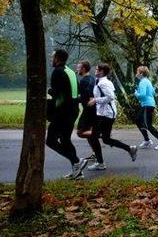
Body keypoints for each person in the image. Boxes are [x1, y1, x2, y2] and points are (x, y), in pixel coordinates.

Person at [86, 63, 137, 171]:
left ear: (102, 71)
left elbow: (111, 97)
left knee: (94, 137)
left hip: (107, 114)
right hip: (103, 113)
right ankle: (130, 149)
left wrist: (95, 100)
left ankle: (100, 163)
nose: (95, 71)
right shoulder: (100, 81)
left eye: (97, 69)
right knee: (106, 139)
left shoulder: (103, 83)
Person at [46, 49, 88, 179]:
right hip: (73, 110)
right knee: (65, 140)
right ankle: (78, 172)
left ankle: (77, 161)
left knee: (51, 141)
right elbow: (77, 91)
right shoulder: (70, 72)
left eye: (52, 57)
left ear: (57, 58)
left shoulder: (57, 72)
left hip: (62, 112)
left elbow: (58, 95)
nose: (51, 59)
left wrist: (50, 92)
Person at [135, 66, 158, 150]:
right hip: (148, 104)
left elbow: (142, 95)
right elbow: (153, 92)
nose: (136, 73)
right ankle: (147, 140)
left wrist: (136, 94)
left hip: (147, 105)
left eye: (137, 72)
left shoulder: (142, 82)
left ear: (141, 73)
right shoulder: (147, 81)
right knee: (138, 120)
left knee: (148, 125)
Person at [76, 60, 96, 159]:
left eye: (78, 67)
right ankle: (95, 153)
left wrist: (91, 99)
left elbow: (89, 94)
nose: (77, 69)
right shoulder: (92, 78)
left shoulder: (85, 81)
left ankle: (101, 135)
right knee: (88, 133)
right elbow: (83, 96)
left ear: (83, 68)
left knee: (80, 132)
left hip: (89, 111)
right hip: (92, 110)